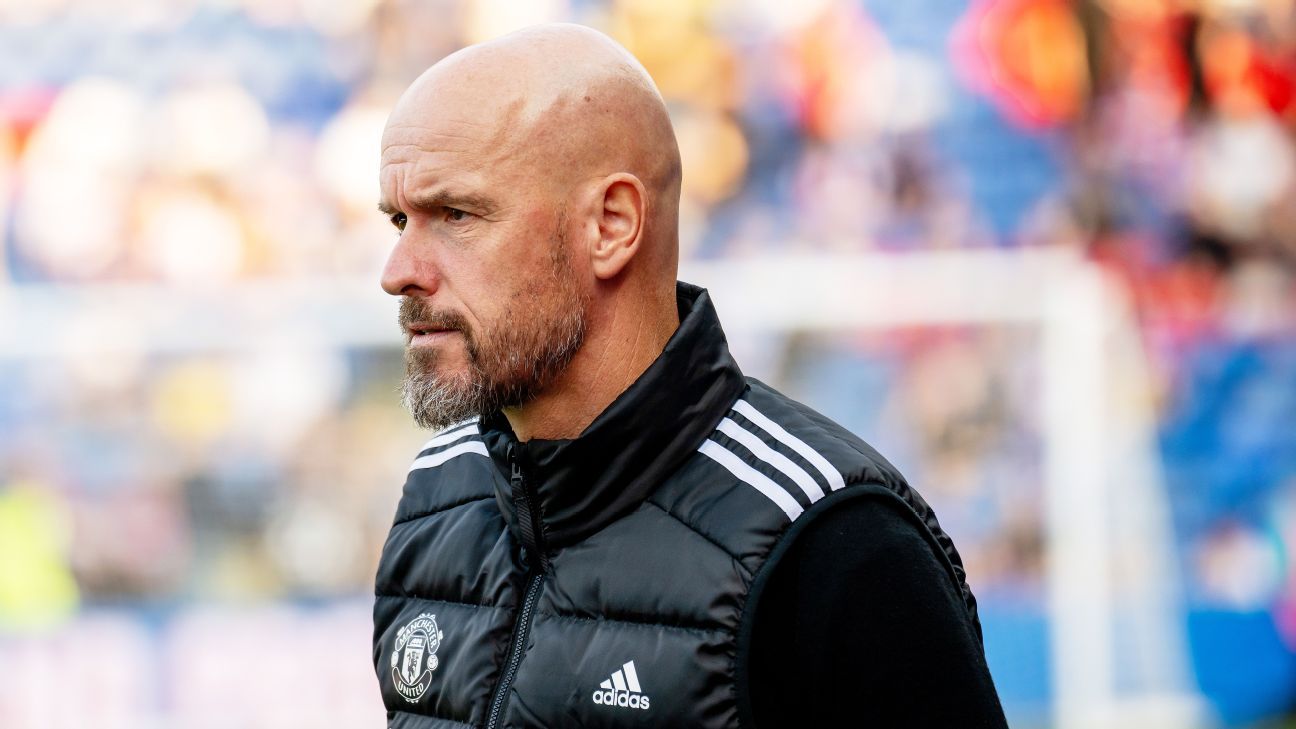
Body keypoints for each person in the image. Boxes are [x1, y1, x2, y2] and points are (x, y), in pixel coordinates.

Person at [371, 23, 1008, 729]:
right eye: (400, 220)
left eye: (455, 214)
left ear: (611, 225)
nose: (398, 272)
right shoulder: (437, 496)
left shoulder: (833, 541)